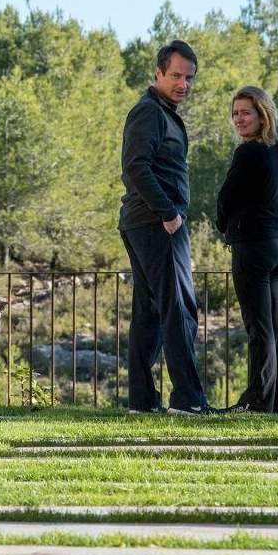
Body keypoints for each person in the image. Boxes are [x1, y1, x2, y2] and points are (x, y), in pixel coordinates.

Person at [118, 41, 216, 416]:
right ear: (158, 74)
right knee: (179, 308)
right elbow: (136, 167)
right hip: (156, 224)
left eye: (188, 78)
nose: (183, 84)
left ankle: (142, 403)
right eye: (175, 75)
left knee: (150, 313)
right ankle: (188, 400)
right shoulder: (149, 112)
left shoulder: (163, 112)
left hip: (146, 223)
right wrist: (168, 213)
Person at [216, 86, 278, 414]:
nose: (238, 120)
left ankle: (257, 403)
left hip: (253, 247)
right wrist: (271, 210)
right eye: (235, 113)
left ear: (262, 115)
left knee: (260, 328)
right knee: (276, 327)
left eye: (245, 113)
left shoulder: (248, 152)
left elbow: (225, 198)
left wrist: (224, 224)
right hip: (277, 246)